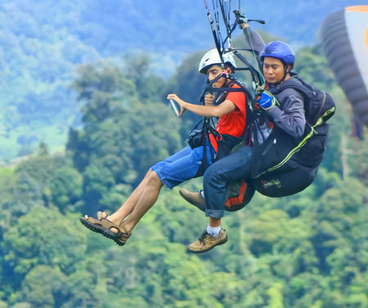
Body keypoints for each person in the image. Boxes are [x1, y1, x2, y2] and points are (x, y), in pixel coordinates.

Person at [79, 49, 249, 246]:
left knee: (159, 177)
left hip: (213, 153)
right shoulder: (226, 92)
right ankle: (116, 220)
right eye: (208, 74)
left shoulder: (237, 93)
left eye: (213, 72)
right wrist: (210, 100)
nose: (210, 77)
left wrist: (186, 104)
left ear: (227, 70)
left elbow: (218, 111)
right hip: (207, 144)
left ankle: (126, 228)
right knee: (153, 172)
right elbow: (214, 115)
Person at [182, 18, 308, 253]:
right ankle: (210, 197)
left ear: (287, 69)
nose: (268, 71)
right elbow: (262, 51)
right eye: (266, 66)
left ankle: (213, 233)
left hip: (267, 151)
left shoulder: (291, 94)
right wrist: (247, 29)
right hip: (256, 141)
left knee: (214, 174)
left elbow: (298, 128)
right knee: (224, 159)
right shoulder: (271, 79)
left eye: (274, 67)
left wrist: (273, 108)